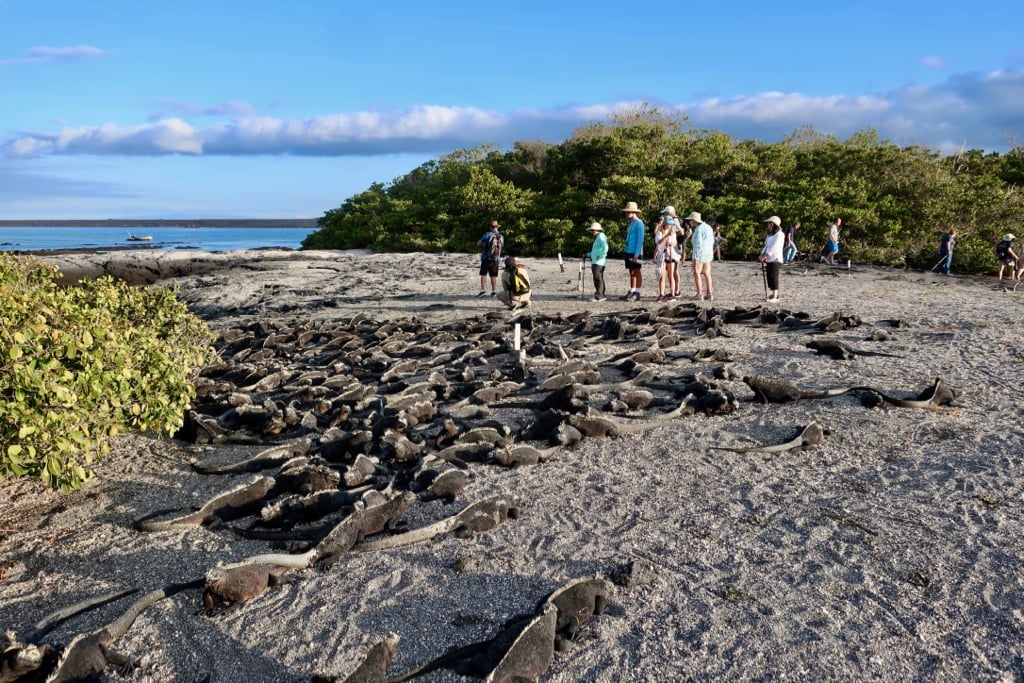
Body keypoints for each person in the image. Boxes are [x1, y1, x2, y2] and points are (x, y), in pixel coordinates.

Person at [685, 211, 715, 301]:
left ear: (694, 220)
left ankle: (699, 294)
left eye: (690, 220)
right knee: (707, 273)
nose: (690, 222)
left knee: (697, 273)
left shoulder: (698, 230)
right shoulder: (708, 227)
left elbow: (698, 244)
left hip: (700, 254)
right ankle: (709, 293)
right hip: (708, 254)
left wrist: (695, 258)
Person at [621, 201, 645, 301]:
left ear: (634, 212)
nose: (627, 213)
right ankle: (632, 290)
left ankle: (637, 292)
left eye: (629, 211)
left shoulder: (639, 223)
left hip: (636, 251)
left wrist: (636, 254)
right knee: (631, 271)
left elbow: (640, 240)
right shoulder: (630, 223)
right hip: (629, 250)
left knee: (637, 271)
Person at [759, 216, 785, 301]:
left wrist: (766, 255)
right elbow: (766, 246)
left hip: (776, 258)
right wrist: (762, 254)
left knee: (774, 276)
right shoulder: (770, 235)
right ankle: (773, 293)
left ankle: (775, 296)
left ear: (773, 224)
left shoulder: (780, 235)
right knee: (769, 276)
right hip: (769, 259)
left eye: (769, 223)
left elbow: (775, 247)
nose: (768, 224)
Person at [653, 213, 678, 301]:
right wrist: (667, 236)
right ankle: (661, 294)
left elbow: (675, 243)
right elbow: (658, 242)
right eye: (669, 224)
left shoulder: (673, 232)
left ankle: (673, 294)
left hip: (670, 254)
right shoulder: (659, 232)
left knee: (671, 275)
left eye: (671, 224)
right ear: (665, 223)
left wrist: (671, 244)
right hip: (662, 255)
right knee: (662, 275)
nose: (670, 225)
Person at [476, 220, 504, 296]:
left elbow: (478, 244)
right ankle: (494, 291)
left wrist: (484, 243)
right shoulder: (501, 236)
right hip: (496, 258)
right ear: (497, 227)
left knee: (483, 274)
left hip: (486, 257)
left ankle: (483, 291)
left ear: (490, 227)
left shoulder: (486, 234)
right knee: (493, 275)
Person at [586, 222, 608, 302]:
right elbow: (596, 251)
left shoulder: (601, 236)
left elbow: (605, 246)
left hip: (599, 262)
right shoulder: (598, 237)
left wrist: (602, 255)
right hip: (596, 261)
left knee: (597, 278)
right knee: (598, 278)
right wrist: (588, 254)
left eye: (593, 230)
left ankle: (599, 296)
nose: (592, 232)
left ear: (597, 230)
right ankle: (601, 294)